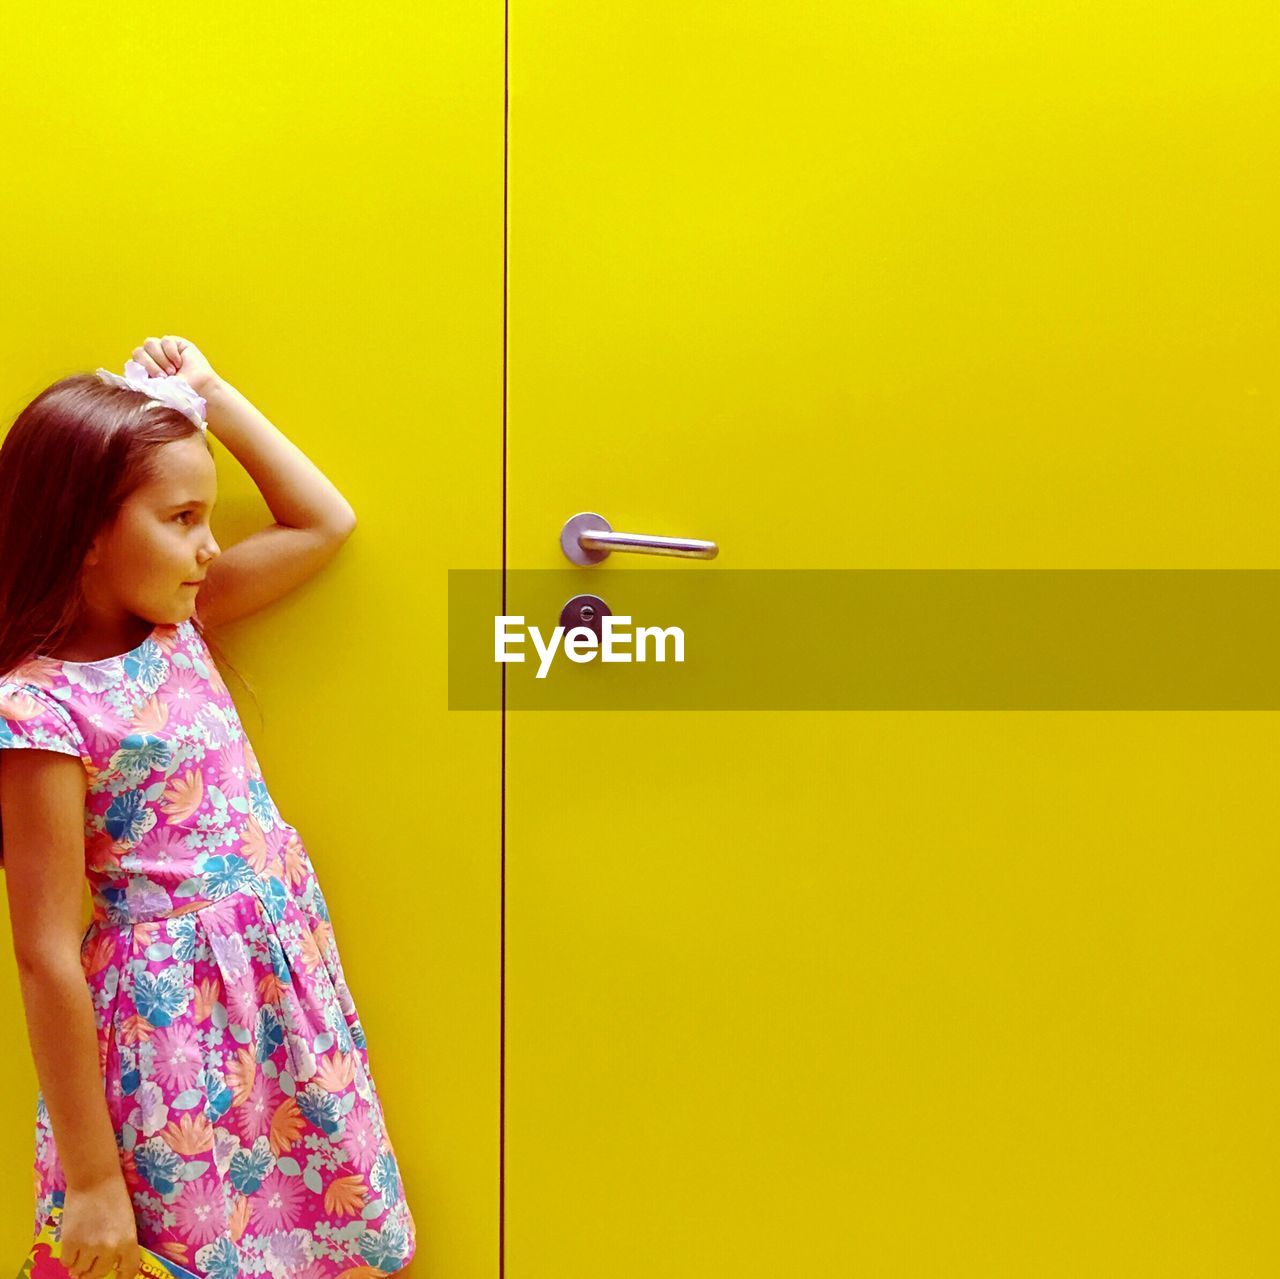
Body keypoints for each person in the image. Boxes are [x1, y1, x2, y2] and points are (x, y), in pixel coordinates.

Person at [0, 337, 416, 1279]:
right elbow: (44, 951)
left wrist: (212, 396)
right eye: (183, 516)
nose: (210, 544)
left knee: (337, 1237)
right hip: (168, 1037)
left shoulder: (176, 623)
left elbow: (324, 522)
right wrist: (94, 1183)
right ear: (86, 531)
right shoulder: (37, 711)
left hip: (276, 998)